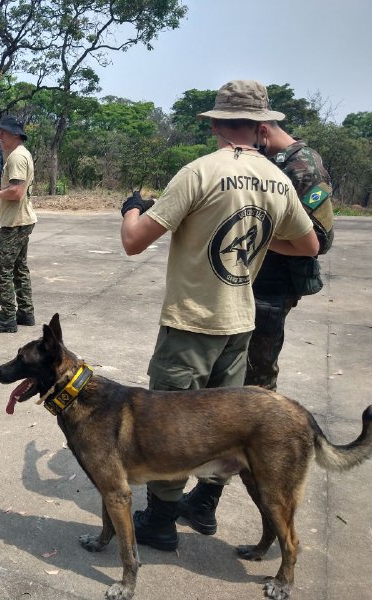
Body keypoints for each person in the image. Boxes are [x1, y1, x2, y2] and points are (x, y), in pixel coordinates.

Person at [119, 80, 319, 552]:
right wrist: (262, 239)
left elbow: (134, 241)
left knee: (167, 428)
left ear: (215, 124)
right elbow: (309, 245)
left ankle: (162, 522)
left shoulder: (199, 172)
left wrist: (130, 210)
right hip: (239, 323)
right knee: (221, 429)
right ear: (260, 126)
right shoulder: (277, 179)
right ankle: (204, 506)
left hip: (191, 322)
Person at [244, 122, 334, 390]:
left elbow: (318, 241)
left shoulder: (304, 167)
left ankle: (262, 428)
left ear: (263, 131)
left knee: (257, 371)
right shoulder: (273, 160)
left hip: (274, 285)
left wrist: (258, 238)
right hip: (257, 277)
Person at [0, 116, 37, 333]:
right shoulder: (21, 154)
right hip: (23, 219)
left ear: (15, 134)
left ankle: (7, 317)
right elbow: (14, 186)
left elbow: (16, 192)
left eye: (3, 133)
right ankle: (25, 312)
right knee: (19, 268)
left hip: (15, 222)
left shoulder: (16, 157)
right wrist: (0, 185)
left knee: (2, 270)